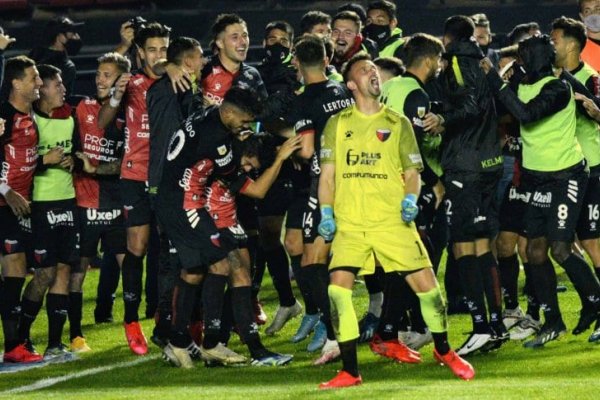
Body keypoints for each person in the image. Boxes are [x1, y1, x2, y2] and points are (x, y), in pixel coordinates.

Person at [317, 52, 474, 389]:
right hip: (352, 225)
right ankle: (350, 371)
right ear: (351, 84)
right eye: (364, 70)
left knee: (430, 292)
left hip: (391, 223)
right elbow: (327, 177)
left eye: (374, 69)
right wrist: (326, 213)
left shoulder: (398, 122)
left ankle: (444, 351)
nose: (372, 73)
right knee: (338, 292)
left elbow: (413, 173)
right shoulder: (338, 124)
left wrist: (409, 200)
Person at [481, 34, 600, 346]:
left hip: (567, 177)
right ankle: (553, 321)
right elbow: (505, 105)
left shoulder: (558, 87)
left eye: (524, 54)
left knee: (560, 249)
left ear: (536, 57)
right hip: (535, 179)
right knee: (533, 252)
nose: (521, 58)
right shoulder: (522, 83)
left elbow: (526, 115)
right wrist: (500, 79)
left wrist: (495, 77)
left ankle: (595, 302)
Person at [427, 15, 506, 355]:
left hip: (467, 166)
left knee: (462, 246)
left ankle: (480, 327)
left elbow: (471, 106)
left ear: (446, 38)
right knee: (481, 245)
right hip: (487, 162)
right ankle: (496, 325)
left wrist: (443, 118)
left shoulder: (459, 62)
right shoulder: (483, 61)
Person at [98, 21, 170, 355]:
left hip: (169, 176)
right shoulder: (132, 83)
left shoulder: (177, 80)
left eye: (163, 49)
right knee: (137, 246)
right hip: (135, 175)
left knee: (172, 249)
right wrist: (115, 93)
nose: (158, 56)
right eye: (152, 49)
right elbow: (102, 122)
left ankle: (168, 316)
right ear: (140, 52)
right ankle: (130, 320)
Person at [285, 34, 354, 358]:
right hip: (353, 179)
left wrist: (289, 146)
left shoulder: (304, 100)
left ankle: (334, 330)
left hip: (324, 183)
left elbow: (308, 149)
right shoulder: (342, 91)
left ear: (297, 63)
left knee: (312, 260)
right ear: (326, 61)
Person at [380, 33, 445, 351]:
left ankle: (400, 326)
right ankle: (405, 326)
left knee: (406, 255)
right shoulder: (416, 96)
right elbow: (413, 146)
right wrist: (433, 181)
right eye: (440, 61)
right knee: (419, 254)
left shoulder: (391, 87)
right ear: (431, 60)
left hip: (385, 182)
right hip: (410, 184)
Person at [146, 36, 206, 348]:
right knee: (175, 257)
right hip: (170, 184)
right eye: (198, 57)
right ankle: (168, 326)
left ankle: (179, 324)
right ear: (185, 62)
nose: (203, 62)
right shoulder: (173, 86)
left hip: (172, 181)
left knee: (181, 256)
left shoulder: (176, 87)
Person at [72, 52, 131, 352]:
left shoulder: (130, 113)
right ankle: (75, 333)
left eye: (106, 74)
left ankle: (132, 325)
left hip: (117, 200)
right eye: (98, 73)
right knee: (78, 269)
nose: (98, 79)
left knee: (130, 263)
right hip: (85, 201)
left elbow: (127, 160)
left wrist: (99, 168)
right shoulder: (81, 107)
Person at [19, 65, 79, 358]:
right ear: (41, 88)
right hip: (40, 205)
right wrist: (45, 159)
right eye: (57, 85)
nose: (63, 90)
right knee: (44, 273)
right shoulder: (29, 122)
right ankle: (21, 339)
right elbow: (19, 165)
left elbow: (79, 152)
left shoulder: (71, 118)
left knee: (64, 271)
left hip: (68, 201)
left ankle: (55, 343)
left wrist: (74, 161)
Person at [551, 17, 600, 334]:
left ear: (571, 43)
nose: (550, 44)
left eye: (554, 39)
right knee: (562, 243)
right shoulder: (549, 77)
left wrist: (594, 109)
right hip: (563, 170)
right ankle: (592, 302)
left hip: (592, 167)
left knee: (594, 244)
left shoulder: (590, 78)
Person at [0, 56, 44, 364]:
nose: (39, 83)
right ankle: (14, 345)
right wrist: (5, 190)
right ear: (16, 83)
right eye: (34, 78)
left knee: (18, 269)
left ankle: (16, 343)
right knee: (15, 268)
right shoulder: (4, 115)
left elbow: (21, 160)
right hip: (3, 203)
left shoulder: (29, 115)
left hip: (17, 206)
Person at [29, 16, 84, 99]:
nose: (77, 37)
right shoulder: (36, 54)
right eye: (72, 33)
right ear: (59, 36)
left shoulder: (36, 53)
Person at [579, 0, 600, 72]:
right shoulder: (577, 49)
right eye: (587, 11)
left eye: (597, 9)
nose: (593, 15)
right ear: (582, 17)